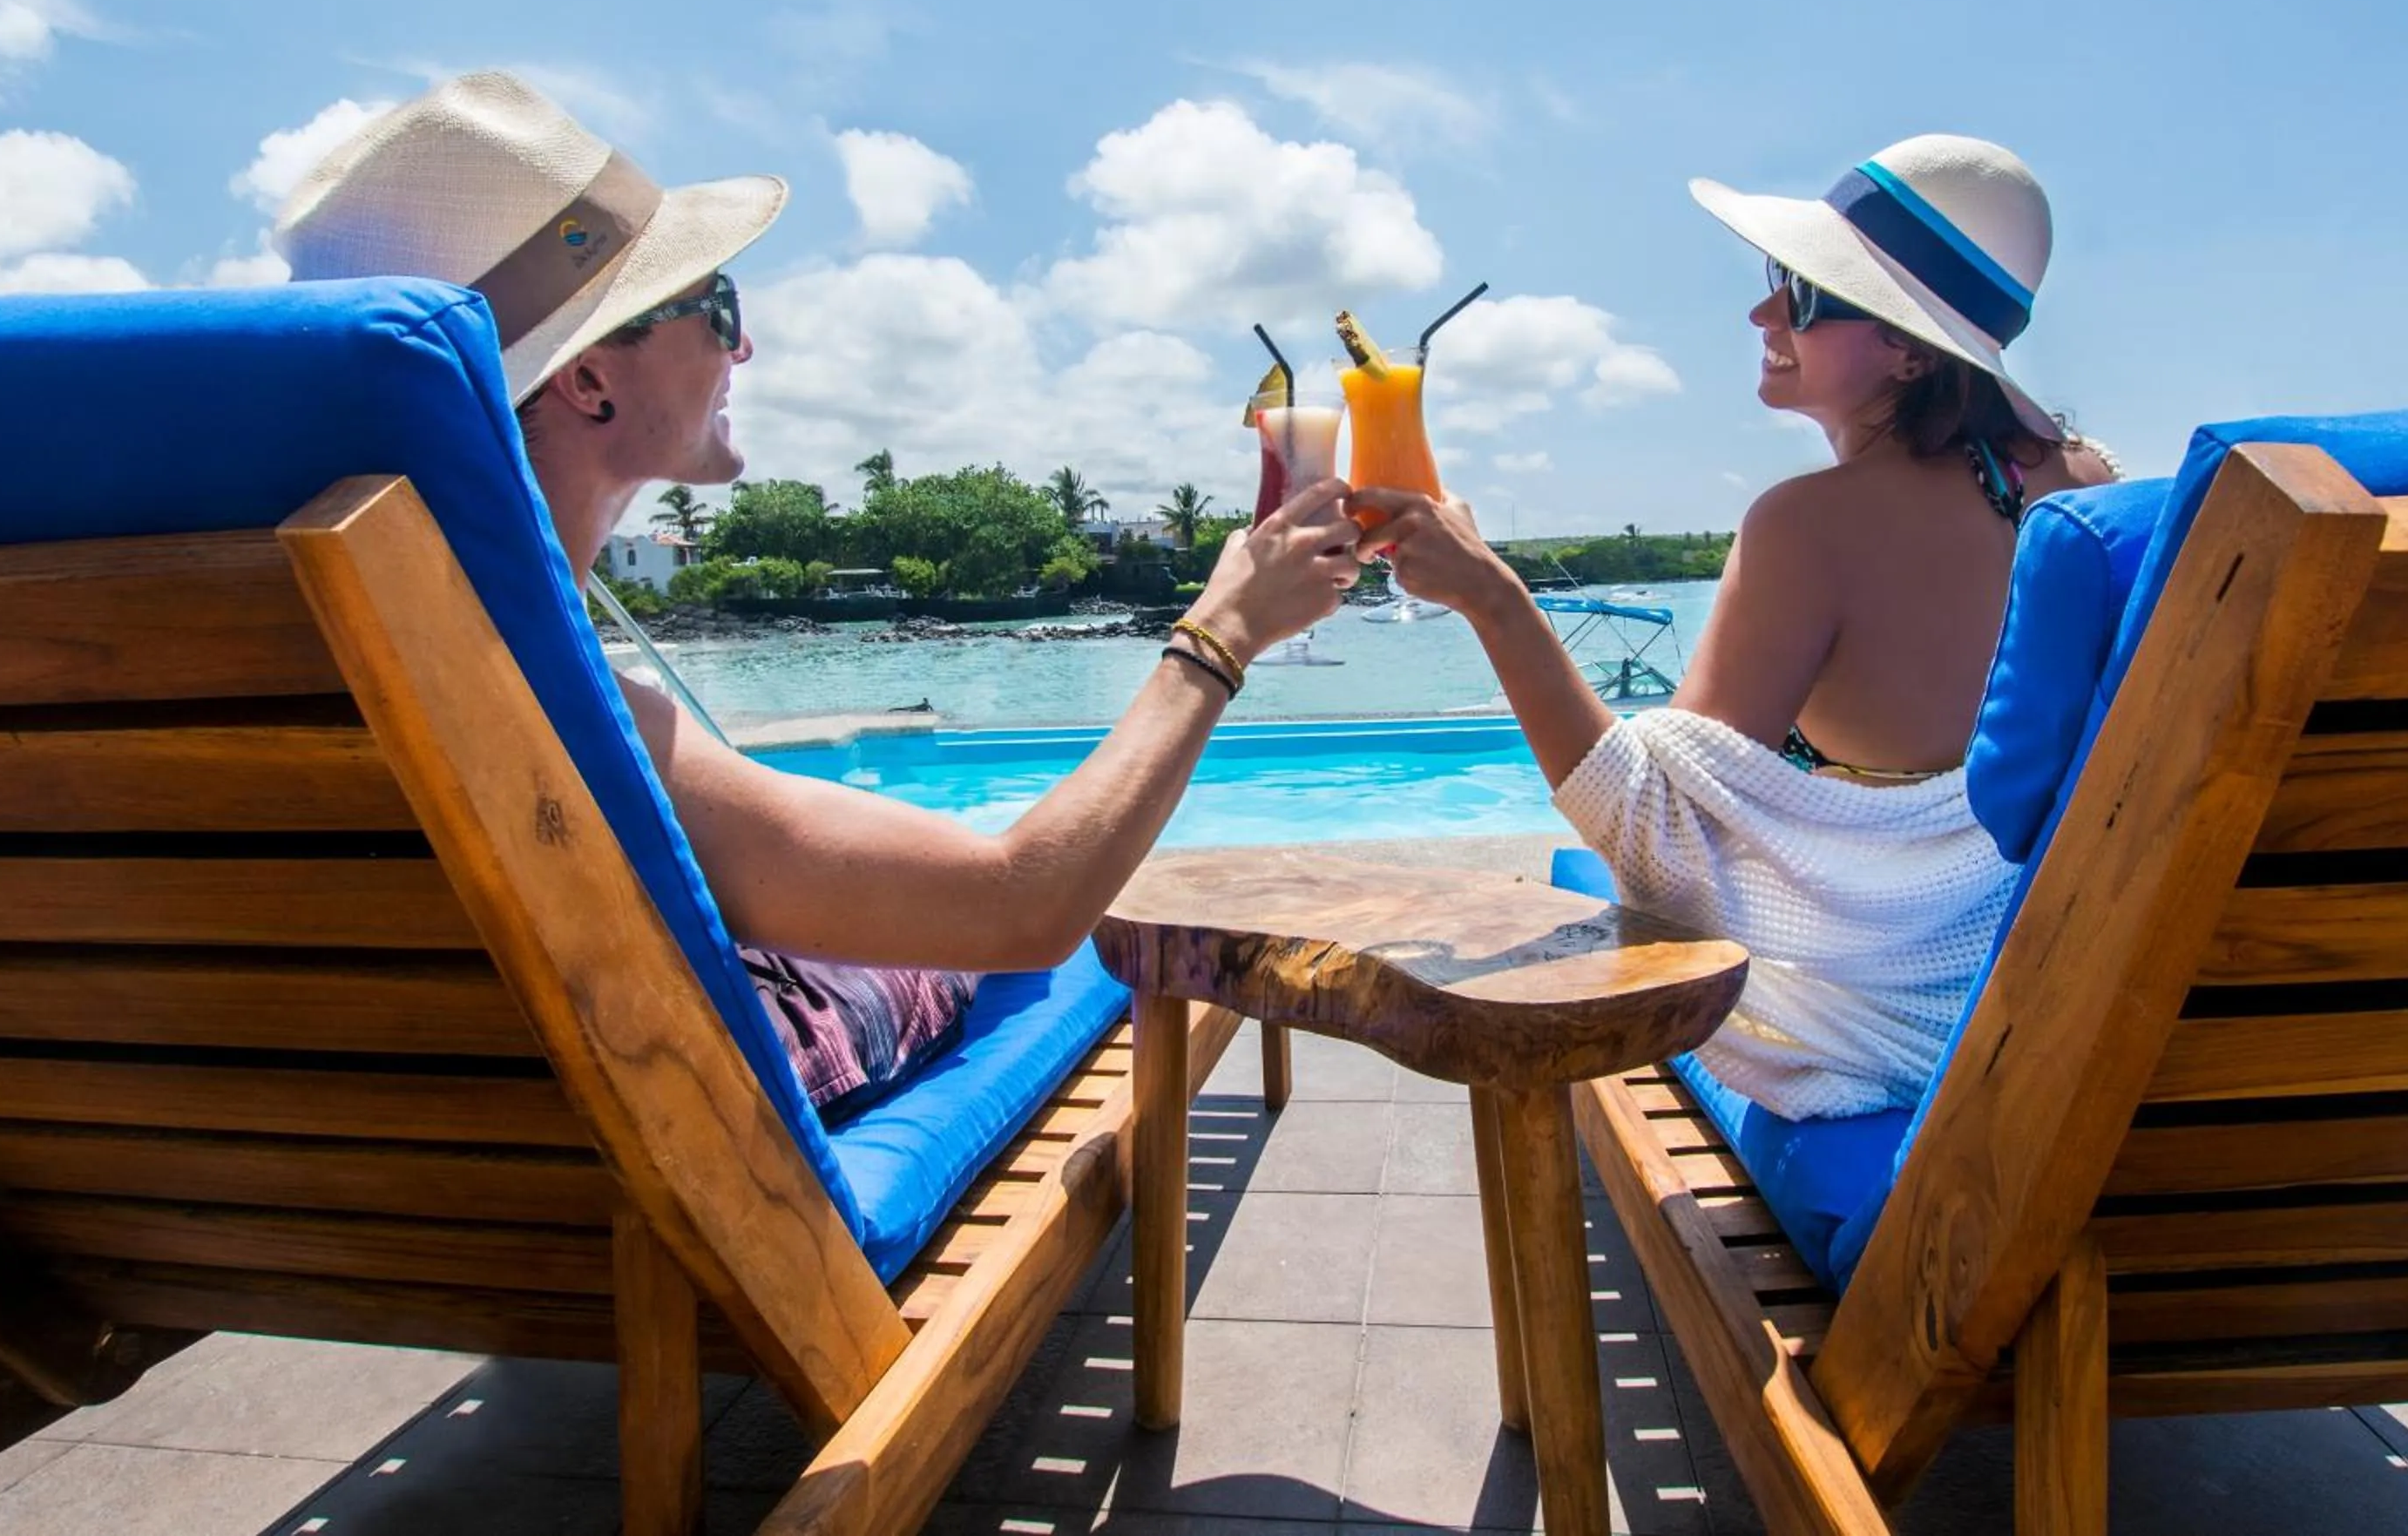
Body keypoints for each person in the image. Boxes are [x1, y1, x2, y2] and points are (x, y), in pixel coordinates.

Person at [275, 72, 1359, 1045]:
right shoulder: (531, 696)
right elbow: (1022, 907)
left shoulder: (318, 653)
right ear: (591, 379)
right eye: (716, 306)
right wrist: (1223, 631)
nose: (742, 346)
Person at [1352, 135, 2115, 1121]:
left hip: (1893, 1031)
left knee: (1587, 919)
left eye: (1805, 293)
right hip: (2050, 993)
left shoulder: (1811, 526)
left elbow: (1654, 831)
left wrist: (1491, 597)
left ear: (1910, 348)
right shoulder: (2095, 489)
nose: (1764, 313)